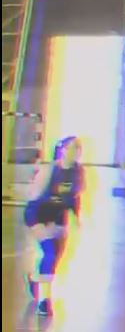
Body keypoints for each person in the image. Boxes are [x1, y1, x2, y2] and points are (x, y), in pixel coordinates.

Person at [23, 136, 84, 317]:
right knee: (49, 253)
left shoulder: (78, 172)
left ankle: (35, 279)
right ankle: (45, 301)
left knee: (55, 258)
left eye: (78, 149)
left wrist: (76, 217)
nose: (74, 152)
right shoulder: (50, 170)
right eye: (71, 148)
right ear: (62, 150)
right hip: (39, 215)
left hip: (59, 217)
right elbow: (34, 199)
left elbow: (74, 197)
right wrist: (42, 222)